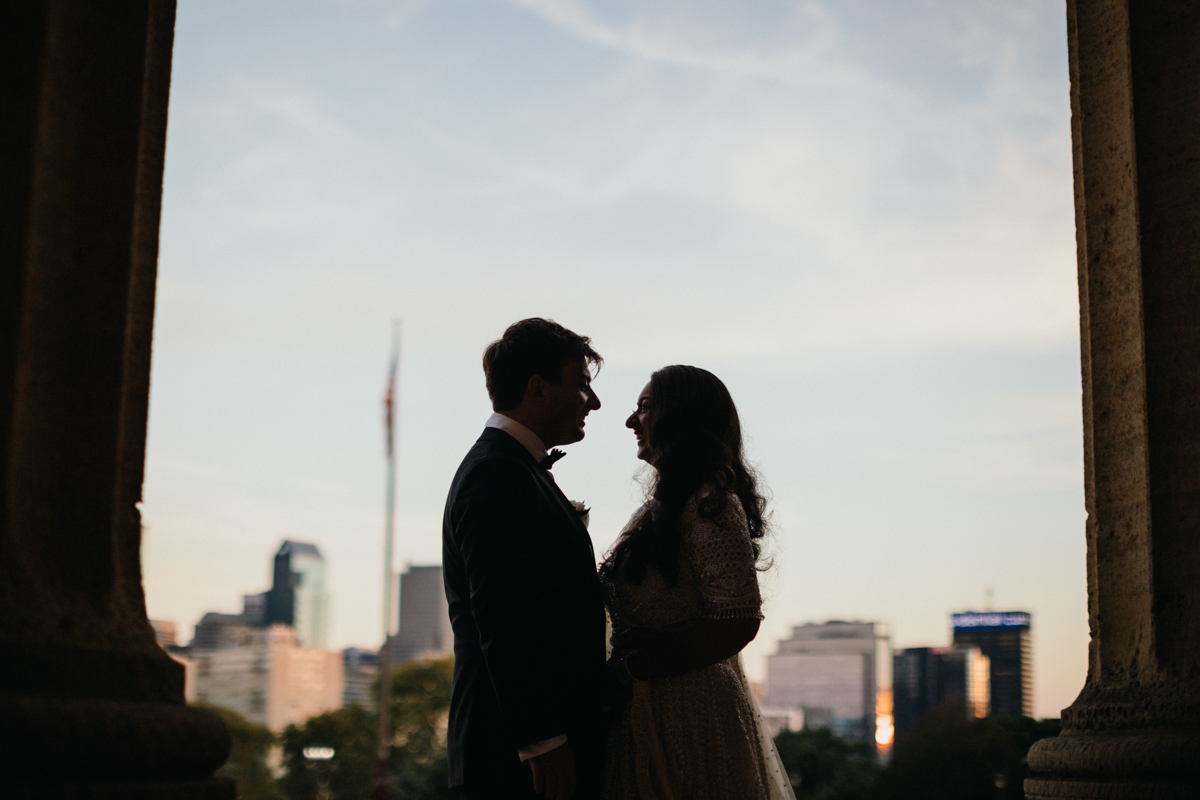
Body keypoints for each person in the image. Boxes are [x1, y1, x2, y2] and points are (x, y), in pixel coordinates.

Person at [599, 365, 795, 800]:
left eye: (645, 409)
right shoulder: (663, 505)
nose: (632, 421)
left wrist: (636, 670)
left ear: (680, 418)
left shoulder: (711, 502)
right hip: (645, 706)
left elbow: (738, 619)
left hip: (690, 714)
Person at [443, 318, 607, 800]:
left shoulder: (513, 468)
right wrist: (543, 742)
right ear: (538, 388)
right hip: (514, 762)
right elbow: (504, 617)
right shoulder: (496, 474)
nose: (593, 403)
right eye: (581, 386)